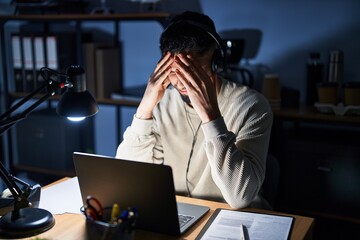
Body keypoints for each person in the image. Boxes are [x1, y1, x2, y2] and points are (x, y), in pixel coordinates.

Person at [116, 11, 273, 209]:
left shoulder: (252, 106)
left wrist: (211, 117)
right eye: (174, 71)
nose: (181, 83)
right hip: (179, 213)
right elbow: (130, 178)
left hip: (233, 220)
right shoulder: (161, 103)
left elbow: (240, 197)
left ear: (215, 60)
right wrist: (144, 109)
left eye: (191, 72)